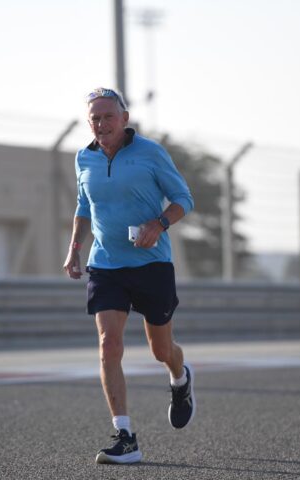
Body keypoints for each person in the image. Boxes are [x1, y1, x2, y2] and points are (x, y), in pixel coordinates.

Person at [63, 87, 196, 464]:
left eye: (108, 116)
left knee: (161, 351)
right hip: (106, 265)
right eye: (95, 118)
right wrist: (74, 247)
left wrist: (159, 224)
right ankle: (125, 437)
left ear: (124, 119)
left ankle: (180, 378)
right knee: (109, 345)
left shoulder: (150, 153)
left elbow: (184, 199)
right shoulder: (83, 158)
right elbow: (83, 206)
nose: (102, 124)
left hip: (151, 264)